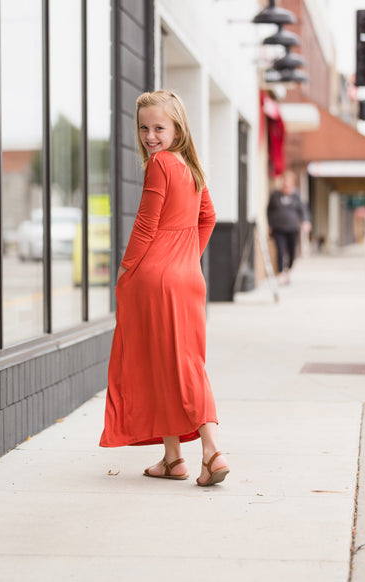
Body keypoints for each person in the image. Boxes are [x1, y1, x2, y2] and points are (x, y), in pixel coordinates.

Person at [99, 90, 229, 487]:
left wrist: (126, 270)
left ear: (178, 128)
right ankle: (173, 459)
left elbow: (145, 223)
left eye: (159, 127)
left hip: (154, 277)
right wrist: (187, 258)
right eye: (143, 128)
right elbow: (208, 217)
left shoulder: (160, 164)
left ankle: (212, 450)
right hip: (188, 278)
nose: (150, 136)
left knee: (174, 363)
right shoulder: (192, 168)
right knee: (174, 360)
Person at [267, 170, 311, 285]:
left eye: (288, 184)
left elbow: (303, 209)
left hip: (292, 228)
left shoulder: (296, 196)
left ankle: (288, 269)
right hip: (278, 228)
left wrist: (305, 221)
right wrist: (269, 224)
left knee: (292, 252)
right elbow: (269, 211)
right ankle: (281, 273)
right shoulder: (275, 195)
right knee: (280, 250)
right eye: (284, 183)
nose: (286, 186)